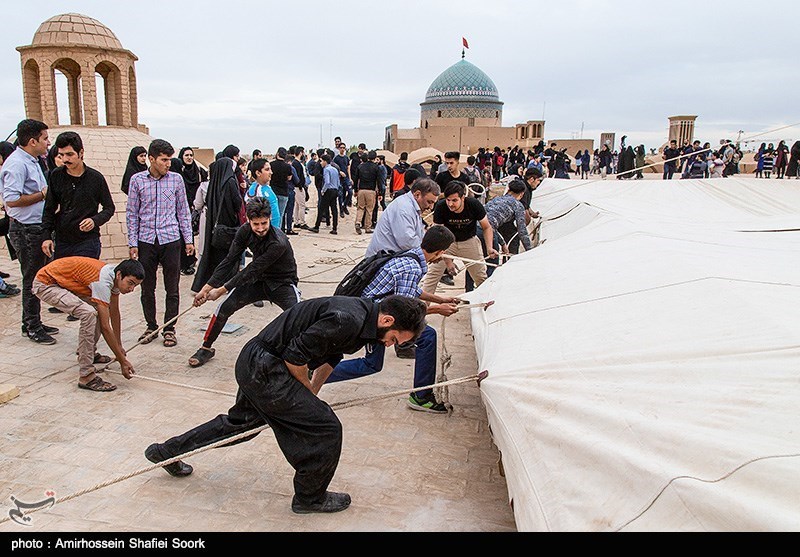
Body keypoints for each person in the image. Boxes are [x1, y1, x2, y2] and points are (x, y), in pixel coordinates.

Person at [144, 294, 428, 515]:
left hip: (258, 363)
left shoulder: (363, 318)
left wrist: (313, 391)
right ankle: (310, 497)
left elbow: (332, 356)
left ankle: (165, 452)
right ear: (388, 321)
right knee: (326, 428)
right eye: (395, 340)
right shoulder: (348, 319)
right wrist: (305, 391)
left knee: (240, 426)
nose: (390, 346)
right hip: (267, 366)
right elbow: (295, 357)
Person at [314, 226, 461, 413]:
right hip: (374, 317)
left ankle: (316, 372)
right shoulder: (413, 267)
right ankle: (421, 396)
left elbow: (410, 291)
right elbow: (404, 314)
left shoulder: (411, 256)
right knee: (424, 337)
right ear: (441, 252)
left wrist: (439, 299)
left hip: (371, 309)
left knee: (373, 363)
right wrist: (439, 309)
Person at [188, 197, 300, 368]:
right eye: (256, 224)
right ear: (248, 220)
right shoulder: (244, 232)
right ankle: (206, 347)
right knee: (223, 309)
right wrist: (207, 287)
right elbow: (229, 260)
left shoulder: (278, 242)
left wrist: (221, 289)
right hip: (257, 280)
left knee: (298, 316)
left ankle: (303, 359)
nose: (260, 228)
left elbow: (252, 269)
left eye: (264, 223)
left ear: (270, 218)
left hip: (282, 282)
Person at [32, 257, 144, 391]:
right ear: (119, 275)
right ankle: (87, 375)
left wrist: (119, 345)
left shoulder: (114, 277)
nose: (131, 289)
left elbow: (114, 312)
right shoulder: (102, 282)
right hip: (46, 284)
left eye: (135, 285)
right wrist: (122, 361)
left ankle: (88, 353)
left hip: (63, 283)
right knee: (89, 314)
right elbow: (105, 327)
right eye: (130, 283)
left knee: (98, 310)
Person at [126, 139, 195, 348]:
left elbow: (183, 211)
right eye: (164, 160)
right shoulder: (137, 181)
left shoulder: (176, 180)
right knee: (147, 286)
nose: (168, 164)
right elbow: (132, 213)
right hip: (146, 240)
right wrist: (132, 242)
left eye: (170, 160)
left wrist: (188, 240)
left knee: (172, 287)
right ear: (151, 159)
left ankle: (169, 328)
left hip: (171, 239)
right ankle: (151, 325)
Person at [0, 119, 60, 344]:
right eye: (44, 139)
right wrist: (42, 196)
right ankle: (32, 326)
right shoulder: (17, 164)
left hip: (37, 227)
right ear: (32, 141)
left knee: (39, 276)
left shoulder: (32, 160)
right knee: (32, 278)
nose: (47, 143)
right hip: (25, 229)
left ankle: (33, 319)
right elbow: (12, 200)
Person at [41, 131, 115, 262]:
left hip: (88, 241)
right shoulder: (56, 176)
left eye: (69, 154)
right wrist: (46, 236)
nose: (65, 160)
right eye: (61, 155)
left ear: (81, 153)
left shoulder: (95, 178)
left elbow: (109, 208)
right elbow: (49, 208)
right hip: (63, 241)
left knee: (84, 280)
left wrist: (94, 221)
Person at [421, 181, 497, 295]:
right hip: (446, 244)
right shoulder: (441, 207)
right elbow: (438, 235)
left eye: (454, 200)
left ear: (463, 198)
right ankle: (423, 308)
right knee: (431, 277)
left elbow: (486, 227)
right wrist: (447, 262)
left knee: (480, 277)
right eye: (448, 200)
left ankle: (487, 302)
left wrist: (489, 248)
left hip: (469, 241)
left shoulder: (473, 205)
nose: (451, 204)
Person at [192, 157, 244, 293]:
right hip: (227, 225)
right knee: (229, 256)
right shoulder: (230, 182)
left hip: (213, 224)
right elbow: (237, 202)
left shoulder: (214, 182)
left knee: (212, 254)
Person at [366, 178, 440, 257]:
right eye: (429, 202)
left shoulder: (412, 207)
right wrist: (429, 254)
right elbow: (408, 242)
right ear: (417, 194)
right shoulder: (403, 209)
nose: (431, 207)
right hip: (382, 260)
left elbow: (418, 236)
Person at [175, 147, 208, 276]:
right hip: (183, 208)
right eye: (186, 155)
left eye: (191, 155)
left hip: (196, 208)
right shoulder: (178, 173)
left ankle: (191, 259)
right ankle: (185, 261)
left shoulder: (198, 171)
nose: (189, 157)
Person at [245, 158, 281, 228]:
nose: (271, 172)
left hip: (274, 230)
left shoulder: (267, 187)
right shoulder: (254, 190)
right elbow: (252, 216)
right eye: (267, 170)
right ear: (258, 173)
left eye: (270, 169)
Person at [310, 154, 340, 235]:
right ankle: (334, 228)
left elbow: (327, 182)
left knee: (321, 208)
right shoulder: (335, 169)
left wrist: (323, 191)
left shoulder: (326, 170)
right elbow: (338, 181)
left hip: (328, 191)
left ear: (325, 161)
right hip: (335, 190)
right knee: (334, 209)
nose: (320, 163)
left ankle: (317, 226)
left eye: (322, 161)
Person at [354, 150, 380, 234]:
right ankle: (367, 227)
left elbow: (356, 179)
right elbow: (379, 181)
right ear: (375, 158)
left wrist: (355, 190)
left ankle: (358, 222)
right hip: (371, 191)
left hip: (361, 190)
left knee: (360, 208)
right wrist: (380, 193)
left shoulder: (360, 166)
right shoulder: (376, 167)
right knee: (369, 209)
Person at [289, 146, 310, 231]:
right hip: (298, 187)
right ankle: (302, 222)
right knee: (302, 205)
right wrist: (301, 186)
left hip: (296, 187)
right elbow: (298, 177)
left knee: (297, 206)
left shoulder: (295, 163)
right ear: (301, 153)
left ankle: (297, 222)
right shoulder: (297, 164)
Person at [332, 143, 352, 216]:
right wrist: (340, 172)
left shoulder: (346, 158)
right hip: (339, 179)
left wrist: (350, 178)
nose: (342, 149)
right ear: (339, 149)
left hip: (346, 178)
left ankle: (345, 205)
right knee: (340, 195)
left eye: (344, 147)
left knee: (350, 192)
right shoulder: (336, 158)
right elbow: (334, 167)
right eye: (341, 148)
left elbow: (348, 168)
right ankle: (341, 210)